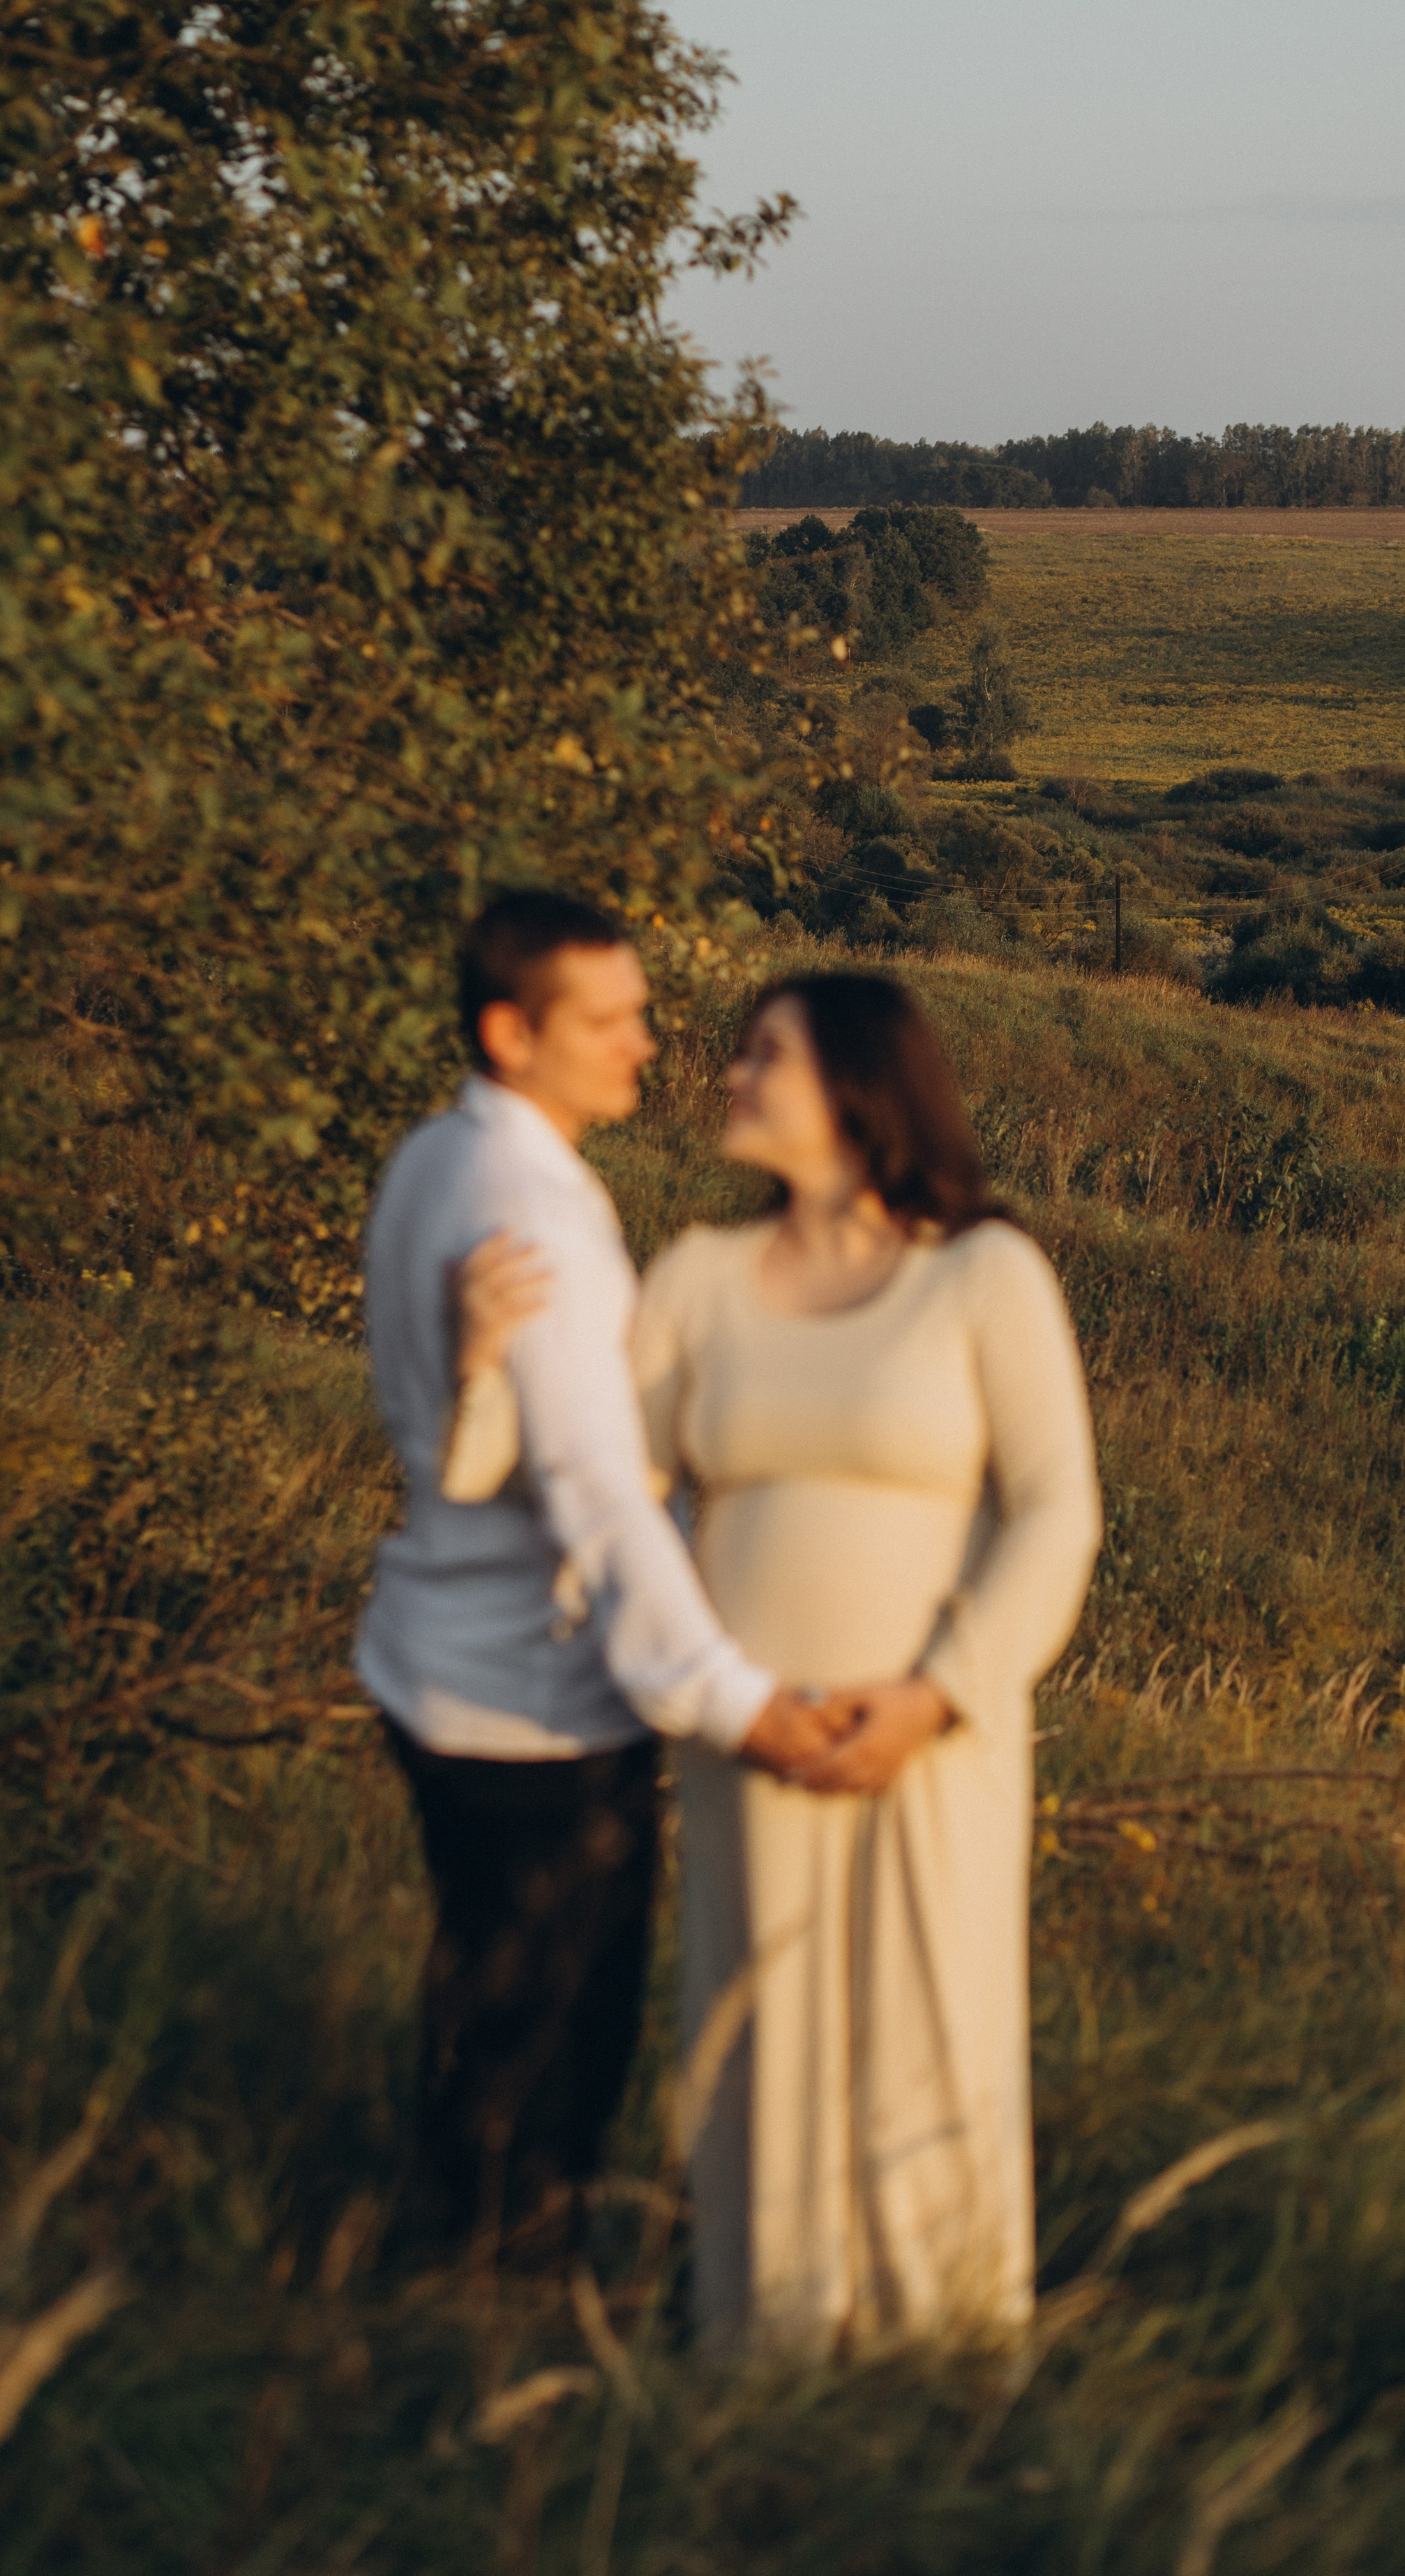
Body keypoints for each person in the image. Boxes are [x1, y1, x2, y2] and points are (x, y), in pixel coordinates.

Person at [448, 971, 1102, 2351]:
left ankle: (944, 2356)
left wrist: (938, 1693)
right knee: (763, 2025)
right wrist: (486, 1365)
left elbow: (1057, 1510)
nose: (731, 1078)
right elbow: (587, 1480)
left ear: (859, 1087)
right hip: (750, 1733)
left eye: (765, 1059)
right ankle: (771, 2351)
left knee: (930, 2018)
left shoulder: (983, 1273)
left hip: (931, 1729)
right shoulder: (697, 1277)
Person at [355, 890, 839, 2261]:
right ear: (513, 1031)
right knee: (548, 2051)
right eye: (612, 1019)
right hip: (530, 1694)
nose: (647, 1043)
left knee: (483, 2011)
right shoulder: (533, 1217)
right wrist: (731, 1697)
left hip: (437, 1656)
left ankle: (444, 2273)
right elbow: (597, 1496)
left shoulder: (431, 1161)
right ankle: (485, 2324)